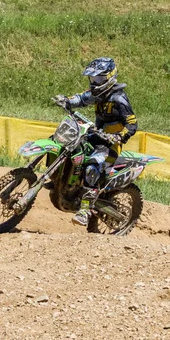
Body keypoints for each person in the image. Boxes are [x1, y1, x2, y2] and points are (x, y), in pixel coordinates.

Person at [53, 57, 138, 227]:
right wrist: (67, 100)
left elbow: (132, 123)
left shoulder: (119, 99)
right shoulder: (98, 94)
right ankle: (59, 180)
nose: (94, 83)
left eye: (98, 79)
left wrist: (119, 136)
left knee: (92, 166)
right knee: (69, 145)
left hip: (110, 143)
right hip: (95, 135)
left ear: (109, 77)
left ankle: (84, 211)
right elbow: (82, 98)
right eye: (92, 79)